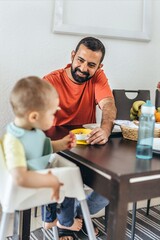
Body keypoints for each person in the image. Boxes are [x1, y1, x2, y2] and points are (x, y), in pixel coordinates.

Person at [42, 37, 117, 239]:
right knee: (66, 173)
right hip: (58, 148)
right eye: (81, 60)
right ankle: (65, 223)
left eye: (91, 65)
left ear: (99, 67)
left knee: (113, 182)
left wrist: (106, 129)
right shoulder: (51, 81)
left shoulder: (98, 77)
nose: (84, 68)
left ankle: (77, 212)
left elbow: (108, 104)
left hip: (88, 147)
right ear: (73, 56)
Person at [2, 77, 83, 240]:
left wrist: (62, 143)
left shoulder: (32, 132)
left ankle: (52, 219)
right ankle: (64, 220)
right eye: (52, 113)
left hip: (38, 182)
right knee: (68, 181)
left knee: (63, 172)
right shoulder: (13, 141)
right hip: (23, 192)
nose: (55, 117)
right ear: (34, 116)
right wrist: (50, 181)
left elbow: (44, 147)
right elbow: (20, 177)